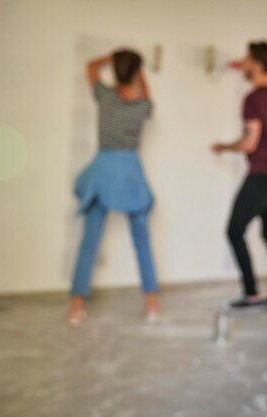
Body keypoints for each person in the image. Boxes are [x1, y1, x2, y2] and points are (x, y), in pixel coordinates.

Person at [69, 49, 159, 326]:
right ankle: (151, 305)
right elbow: (146, 94)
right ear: (135, 72)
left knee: (88, 242)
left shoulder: (105, 97)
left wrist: (111, 57)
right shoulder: (142, 106)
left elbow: (90, 67)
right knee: (142, 240)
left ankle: (75, 308)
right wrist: (137, 69)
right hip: (130, 171)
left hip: (103, 170)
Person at [212, 41, 267, 308]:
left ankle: (251, 292)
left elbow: (249, 143)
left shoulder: (253, 99)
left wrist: (224, 146)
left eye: (246, 59)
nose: (241, 63)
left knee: (234, 231)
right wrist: (257, 65)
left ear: (256, 63)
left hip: (261, 176)